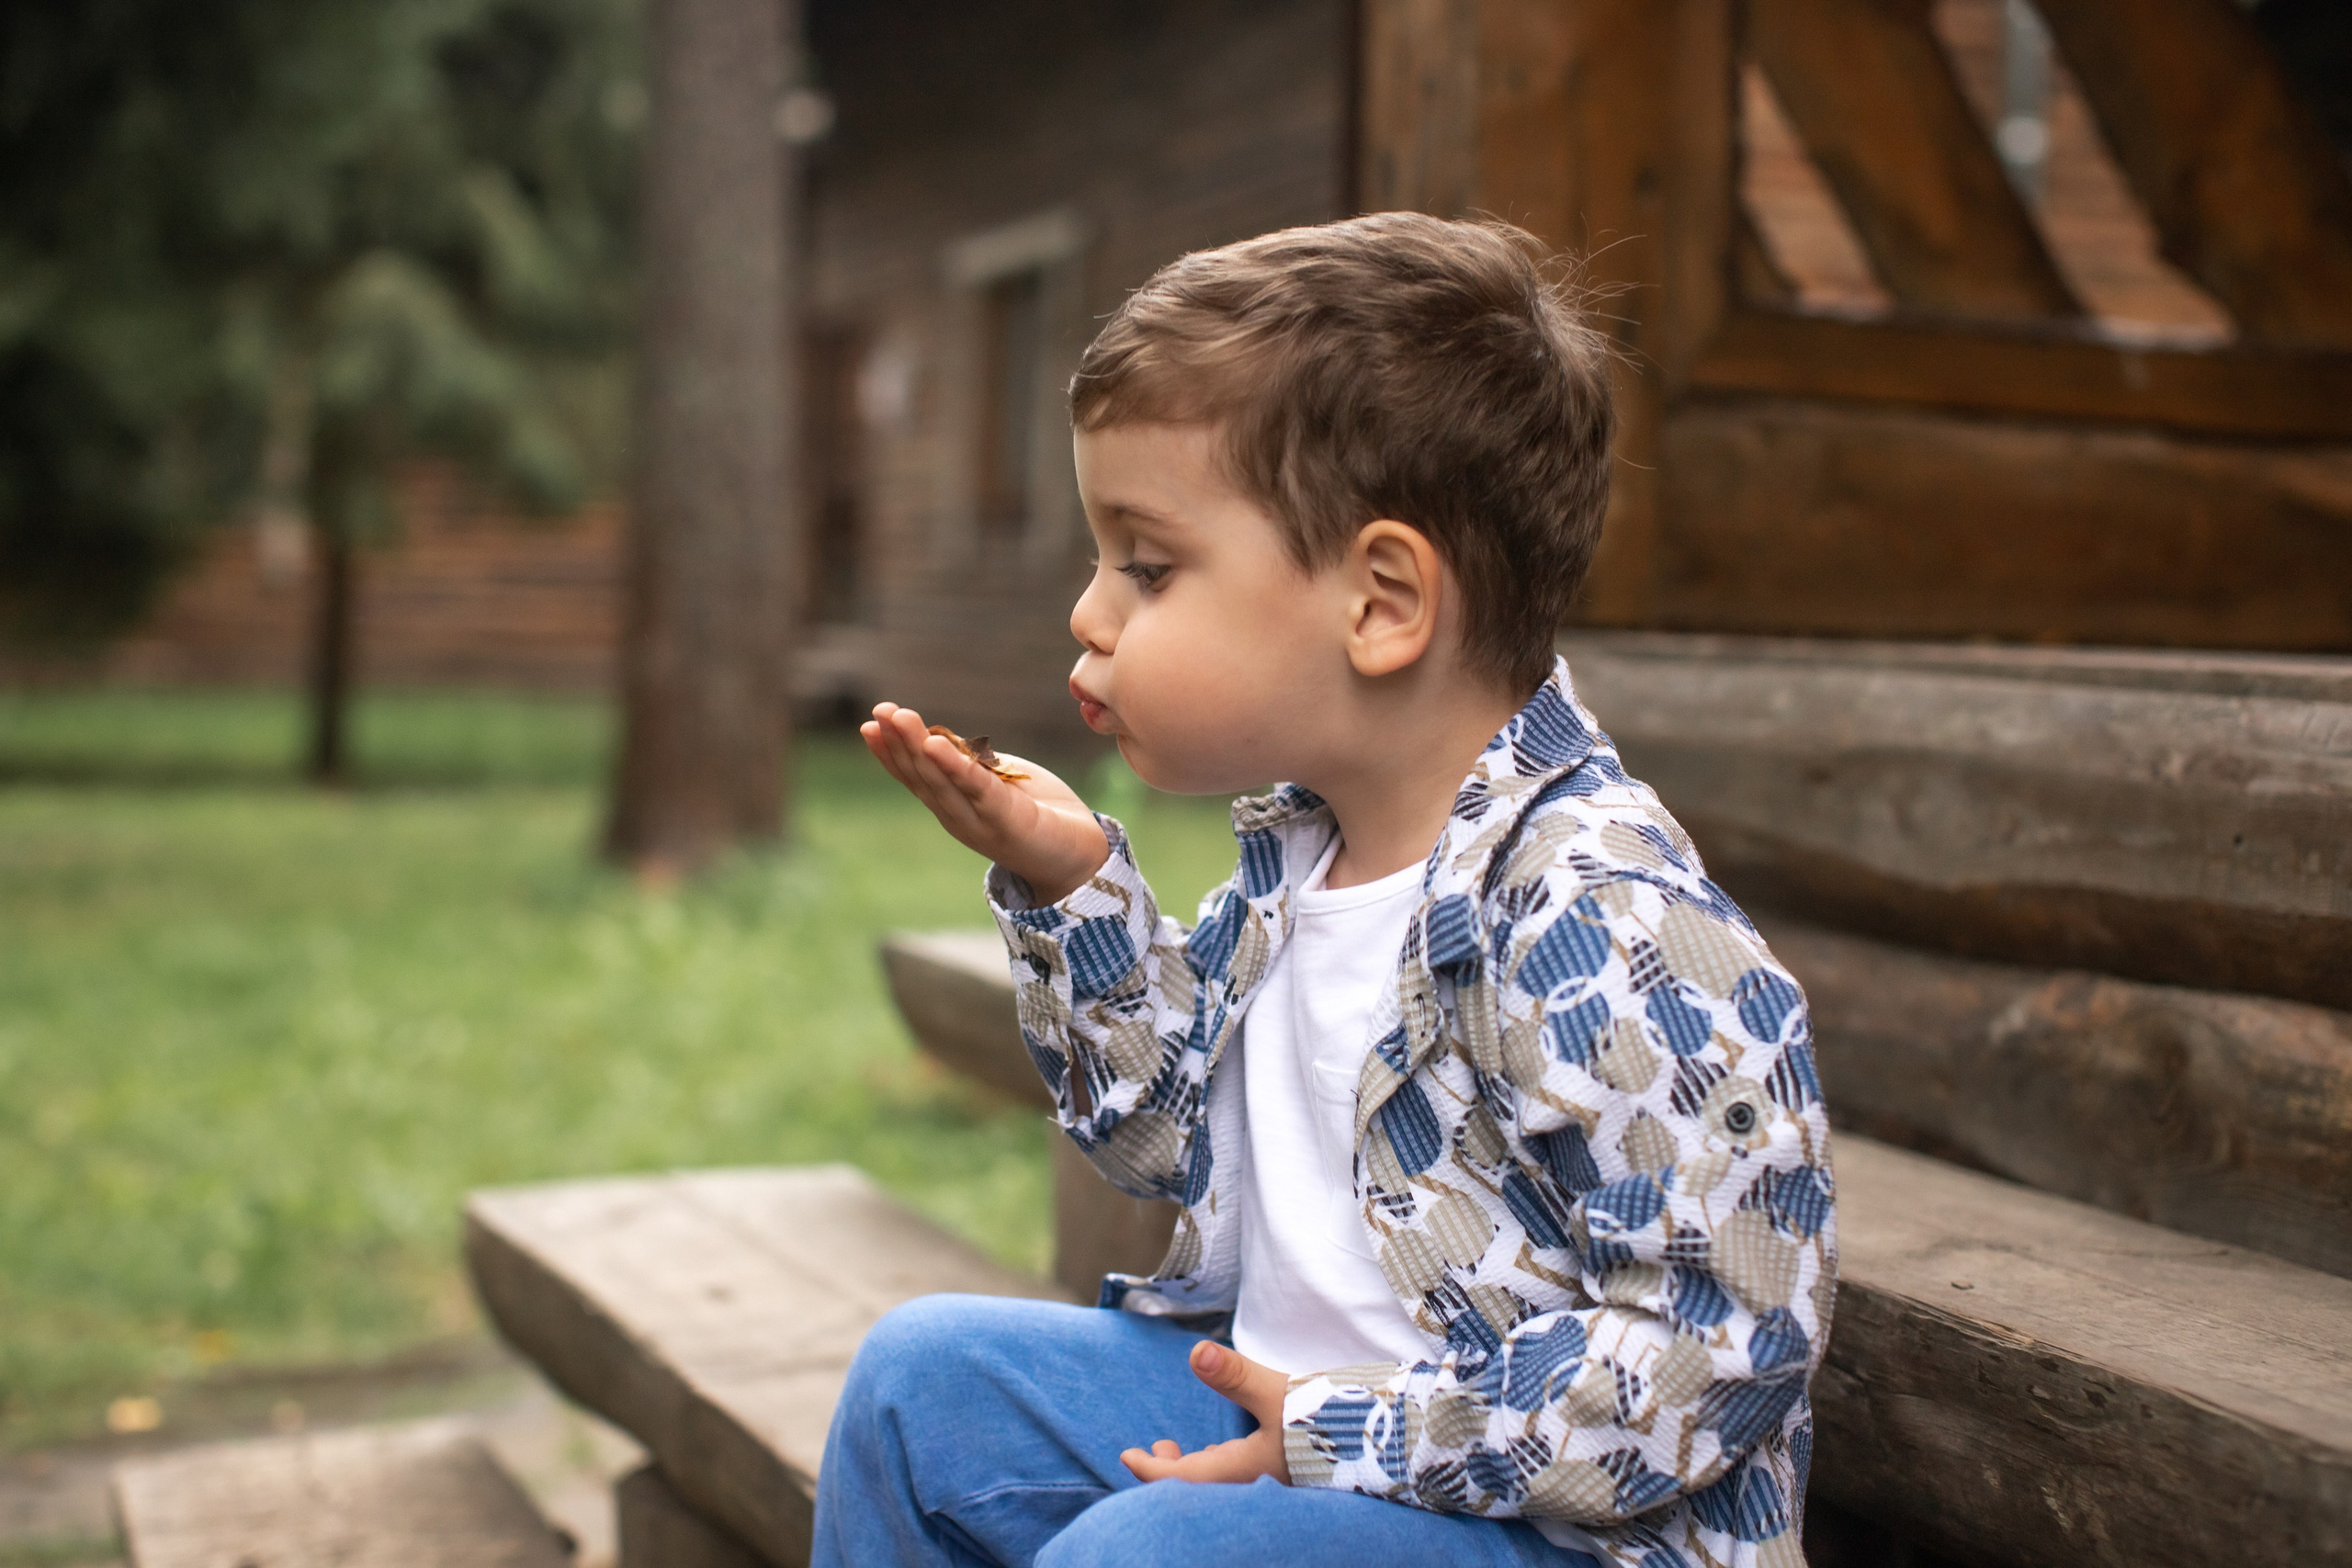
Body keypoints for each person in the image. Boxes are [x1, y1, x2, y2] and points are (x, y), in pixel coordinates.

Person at [820, 213, 1834, 1568]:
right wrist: (1071, 889)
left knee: (1148, 1558)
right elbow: (1164, 1143)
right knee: (921, 1388)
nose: (1090, 612)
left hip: (1545, 1532)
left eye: (1148, 564)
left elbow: (1727, 1349)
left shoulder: (1609, 924)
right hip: (1304, 1442)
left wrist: (1348, 1436)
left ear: (1382, 602)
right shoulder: (1305, 856)